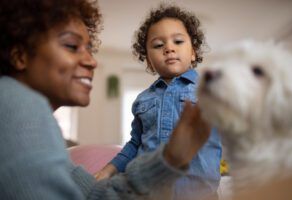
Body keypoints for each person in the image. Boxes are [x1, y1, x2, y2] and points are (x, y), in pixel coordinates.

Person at [0, 0, 212, 199]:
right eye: (72, 46)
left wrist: (169, 160)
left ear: (193, 52)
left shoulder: (208, 91)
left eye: (90, 49)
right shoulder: (16, 101)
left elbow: (97, 195)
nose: (92, 61)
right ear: (20, 56)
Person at [96, 4, 222, 200]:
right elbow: (134, 145)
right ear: (148, 61)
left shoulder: (211, 92)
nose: (169, 48)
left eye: (178, 41)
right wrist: (107, 171)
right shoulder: (142, 100)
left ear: (193, 53)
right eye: (158, 45)